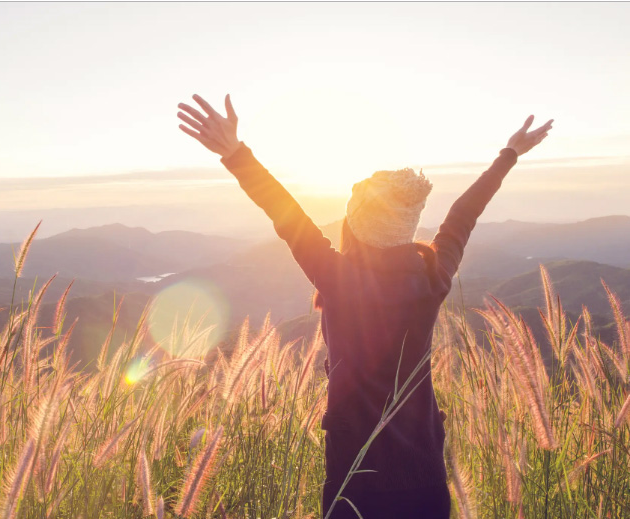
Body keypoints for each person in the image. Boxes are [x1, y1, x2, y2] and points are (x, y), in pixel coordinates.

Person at [177, 94, 553, 519]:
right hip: (425, 476)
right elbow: (463, 216)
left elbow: (286, 215)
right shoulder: (433, 276)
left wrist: (235, 153)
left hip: (355, 481)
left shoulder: (339, 280)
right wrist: (510, 154)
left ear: (353, 224)